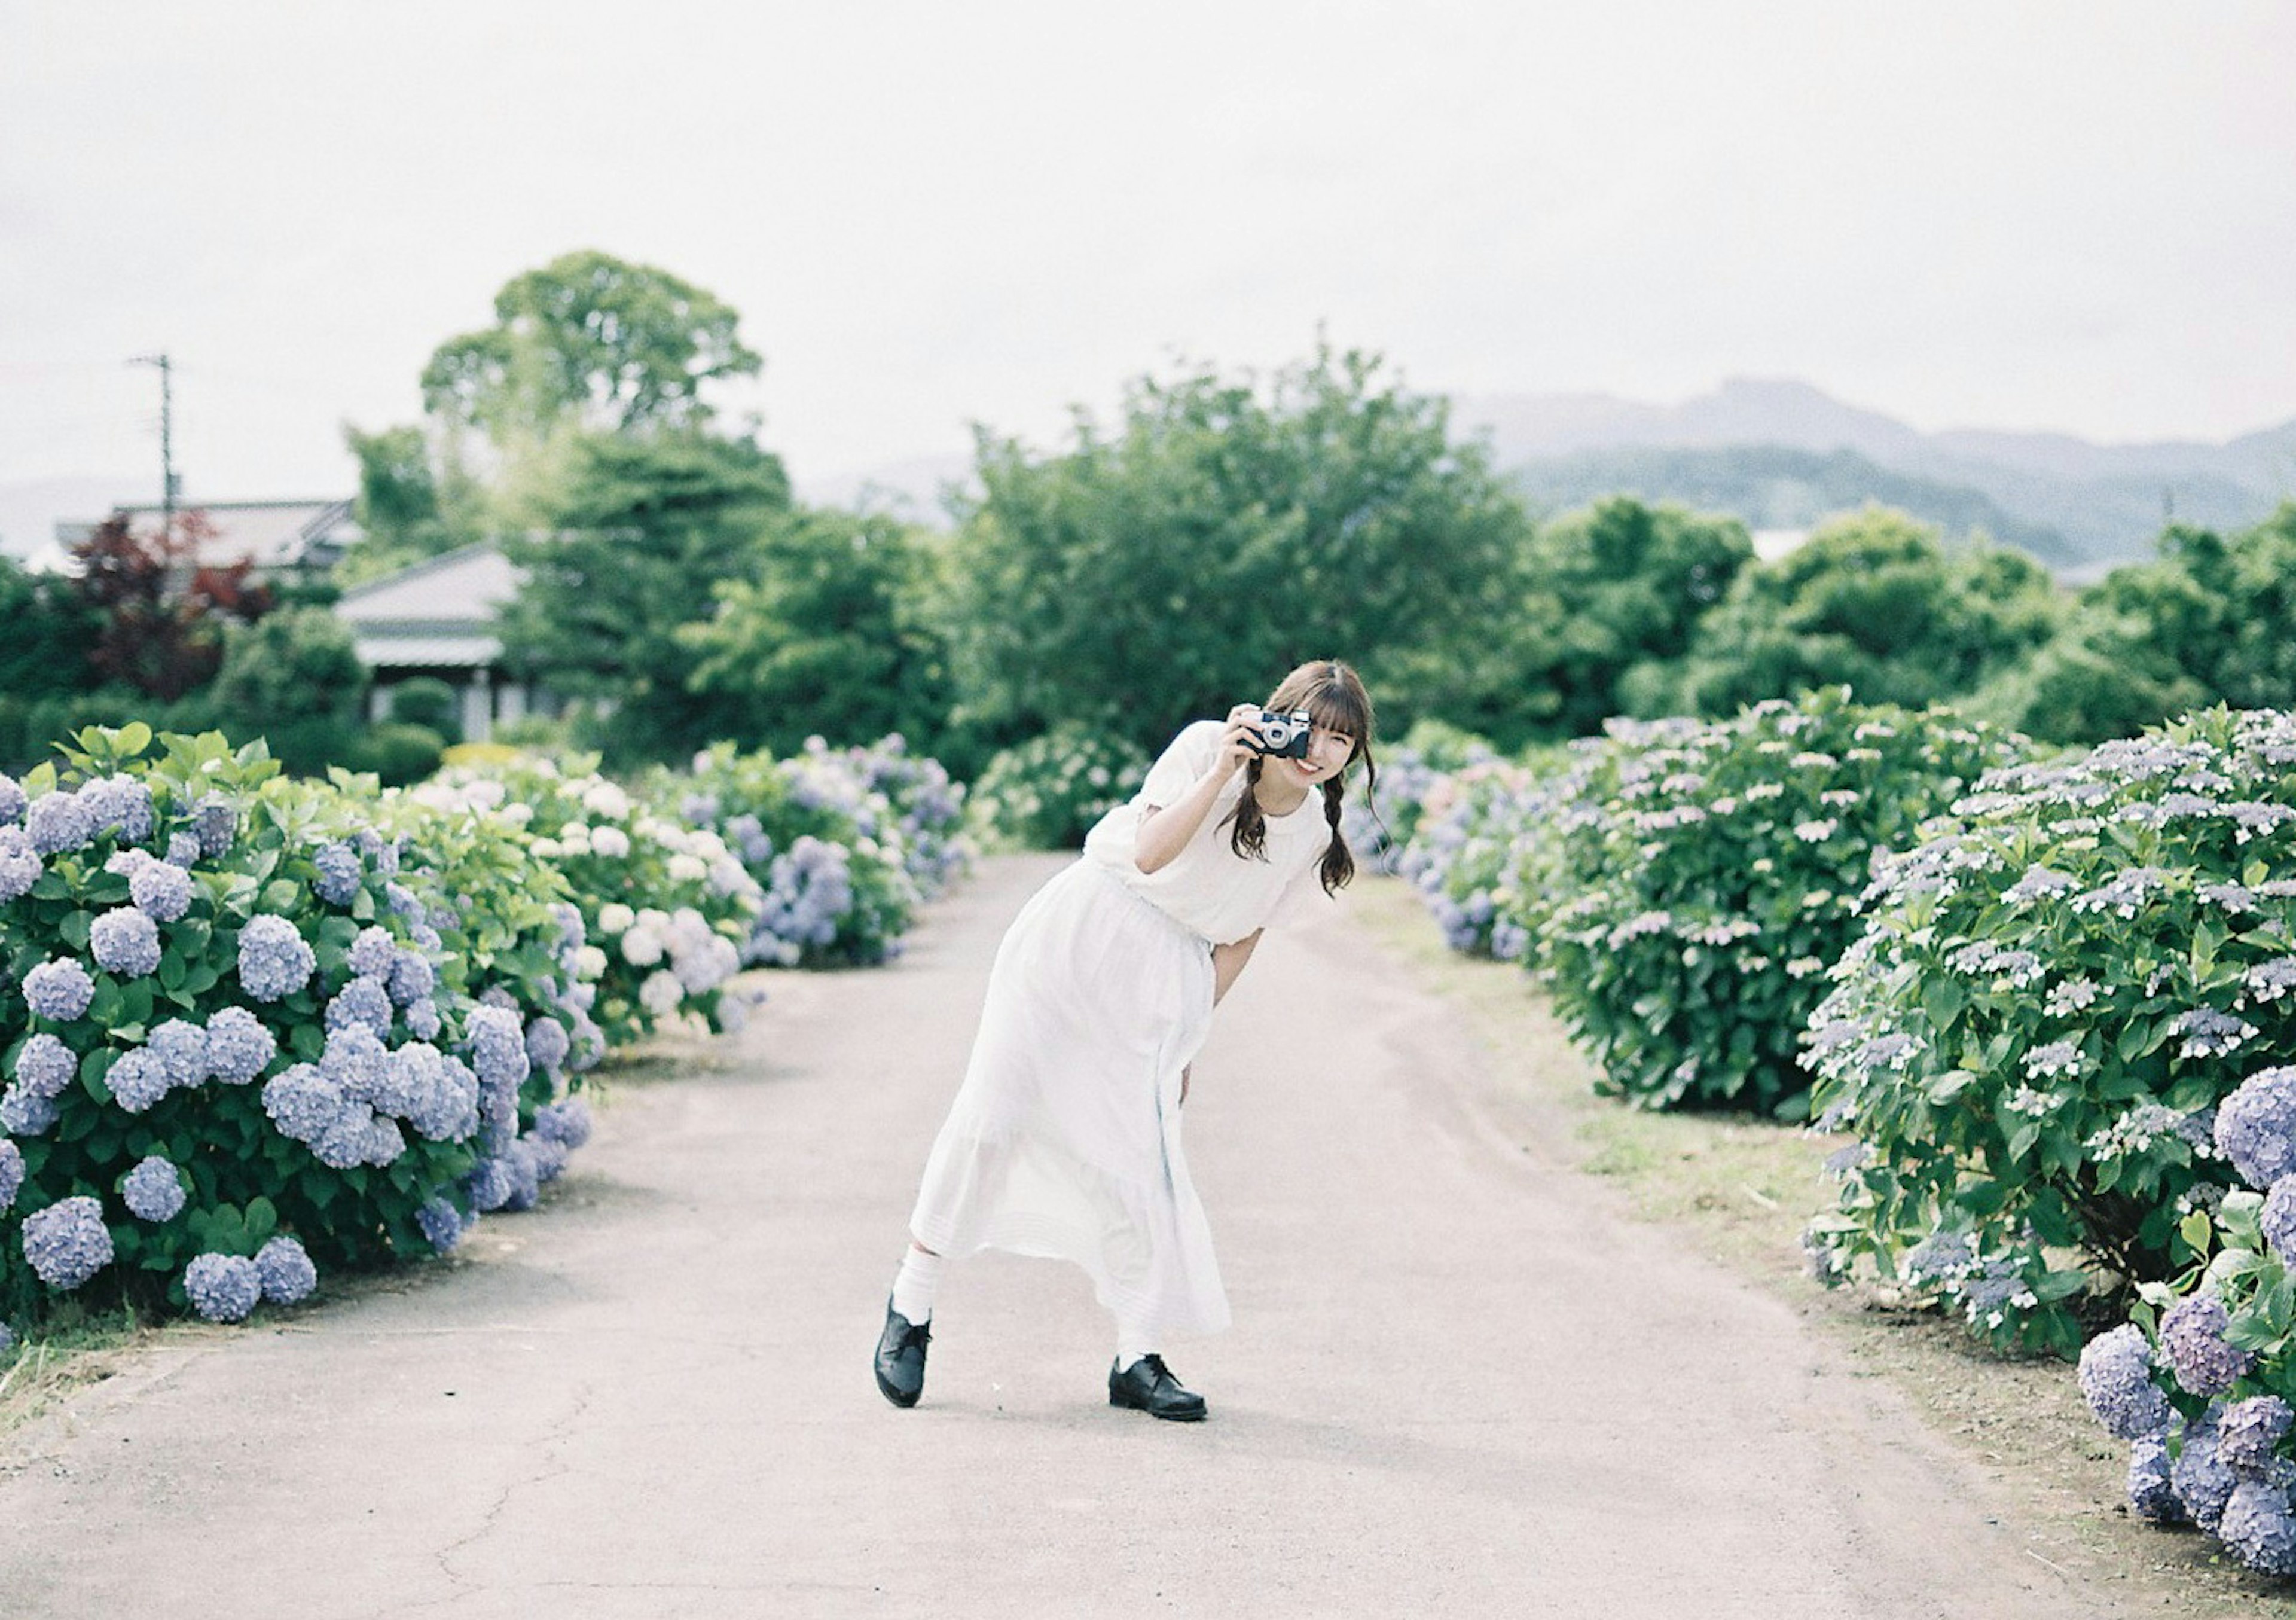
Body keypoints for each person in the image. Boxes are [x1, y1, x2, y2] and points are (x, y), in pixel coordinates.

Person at [874, 660, 1378, 1421]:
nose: (1319, 749)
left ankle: (1136, 1356)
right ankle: (912, 1306)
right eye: (1310, 727)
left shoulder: (1312, 832)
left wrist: (1188, 1035)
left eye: (1342, 740)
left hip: (1164, 976)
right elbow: (1149, 854)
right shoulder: (1208, 745)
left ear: (1354, 754)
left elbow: (1243, 936)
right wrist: (1220, 772)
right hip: (1079, 935)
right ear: (1278, 717)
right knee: (993, 1116)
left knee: (1142, 1159)